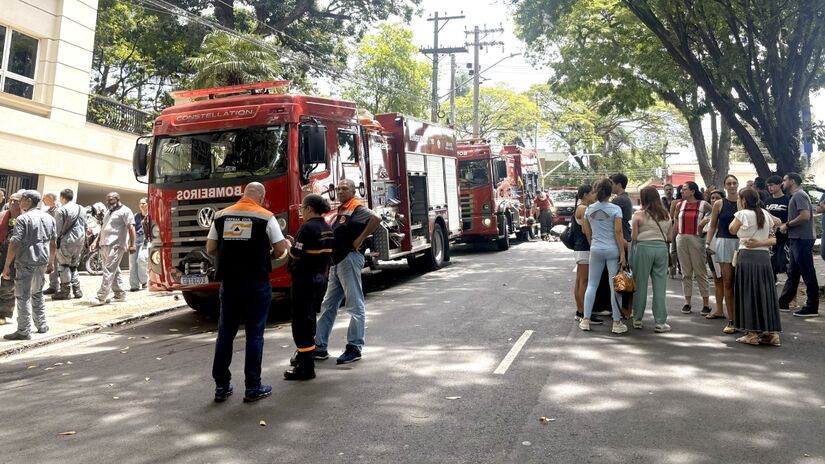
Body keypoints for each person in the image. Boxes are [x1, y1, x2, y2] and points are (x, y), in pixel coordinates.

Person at [206, 182, 291, 402]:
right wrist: (264, 256)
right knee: (255, 334)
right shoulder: (266, 216)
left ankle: (221, 387)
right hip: (257, 283)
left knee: (225, 334)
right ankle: (253, 387)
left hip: (230, 283)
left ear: (243, 194)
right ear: (261, 197)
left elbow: (211, 249)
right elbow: (281, 250)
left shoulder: (221, 216)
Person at [314, 179, 382, 364]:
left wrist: (360, 239)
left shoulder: (356, 207)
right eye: (338, 188)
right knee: (328, 304)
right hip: (337, 261)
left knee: (354, 304)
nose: (341, 191)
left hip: (349, 259)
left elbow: (376, 219)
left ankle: (354, 347)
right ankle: (319, 347)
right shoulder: (342, 208)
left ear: (353, 191)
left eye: (345, 188)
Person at [284, 194, 334, 381]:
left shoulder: (307, 228)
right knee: (310, 319)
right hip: (320, 279)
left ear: (310, 208)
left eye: (302, 208)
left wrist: (289, 244)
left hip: (304, 280)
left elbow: (296, 253)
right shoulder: (327, 228)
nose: (301, 212)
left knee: (300, 323)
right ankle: (305, 357)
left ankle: (306, 366)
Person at [729, 188, 782, 346]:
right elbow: (773, 235)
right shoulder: (765, 214)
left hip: (747, 256)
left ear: (743, 200)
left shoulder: (742, 214)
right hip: (764, 257)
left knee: (748, 292)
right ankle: (771, 333)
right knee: (765, 292)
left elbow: (731, 229)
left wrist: (740, 212)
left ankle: (751, 333)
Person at [2, 190, 56, 340]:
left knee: (23, 295)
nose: (20, 202)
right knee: (37, 293)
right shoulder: (49, 218)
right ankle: (41, 325)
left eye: (22, 199)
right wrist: (51, 262)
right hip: (42, 261)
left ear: (28, 200)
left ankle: (23, 330)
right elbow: (53, 242)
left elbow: (14, 242)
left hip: (26, 260)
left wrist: (7, 265)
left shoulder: (23, 218)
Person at [578, 178, 628, 334]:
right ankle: (616, 322)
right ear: (609, 191)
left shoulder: (588, 209)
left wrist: (593, 243)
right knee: (615, 285)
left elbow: (587, 232)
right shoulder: (615, 209)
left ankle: (585, 320)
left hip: (596, 249)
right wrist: (622, 253)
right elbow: (618, 232)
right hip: (612, 249)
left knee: (592, 284)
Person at [630, 186, 673, 333]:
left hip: (643, 249)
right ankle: (660, 322)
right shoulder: (666, 215)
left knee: (640, 285)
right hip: (661, 249)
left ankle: (637, 319)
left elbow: (634, 237)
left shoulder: (638, 215)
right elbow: (669, 237)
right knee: (660, 287)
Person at [778, 172, 819, 317]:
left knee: (807, 273)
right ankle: (783, 302)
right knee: (793, 273)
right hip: (797, 238)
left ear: (793, 182)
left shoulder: (799, 195)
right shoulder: (796, 196)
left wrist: (787, 225)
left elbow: (805, 216)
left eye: (784, 180)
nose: (782, 183)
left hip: (802, 238)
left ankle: (812, 307)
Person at [704, 175, 739, 333]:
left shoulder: (743, 201)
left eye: (734, 183)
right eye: (729, 183)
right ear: (725, 186)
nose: (732, 186)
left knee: (742, 283)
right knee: (727, 282)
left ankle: (743, 317)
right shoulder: (719, 204)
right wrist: (707, 243)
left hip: (742, 244)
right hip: (724, 243)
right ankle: (731, 320)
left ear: (737, 185)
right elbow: (712, 226)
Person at [90, 192, 136, 306]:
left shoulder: (126, 211)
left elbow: (131, 227)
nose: (108, 202)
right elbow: (103, 228)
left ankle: (101, 296)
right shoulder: (108, 212)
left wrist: (132, 244)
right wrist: (96, 241)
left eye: (110, 199)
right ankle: (120, 294)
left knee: (108, 270)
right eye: (107, 200)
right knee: (114, 270)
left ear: (117, 199)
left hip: (116, 245)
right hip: (105, 244)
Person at [674, 181, 712, 314]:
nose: (681, 191)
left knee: (700, 271)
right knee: (686, 272)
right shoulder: (680, 204)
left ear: (693, 191)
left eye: (684, 189)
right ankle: (687, 302)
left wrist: (705, 226)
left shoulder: (703, 204)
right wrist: (673, 237)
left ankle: (706, 304)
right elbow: (675, 221)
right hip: (681, 237)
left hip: (696, 238)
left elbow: (714, 216)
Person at [572, 185, 603, 325]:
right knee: (584, 280)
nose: (594, 195)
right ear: (585, 195)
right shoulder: (584, 209)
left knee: (580, 280)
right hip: (585, 247)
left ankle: (580, 310)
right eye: (592, 193)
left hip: (580, 248)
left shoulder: (579, 207)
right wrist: (593, 245)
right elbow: (586, 230)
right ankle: (584, 312)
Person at [51, 189, 86, 300]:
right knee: (74, 266)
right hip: (80, 240)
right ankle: (77, 290)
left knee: (64, 265)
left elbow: (57, 229)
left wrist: (54, 243)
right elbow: (85, 226)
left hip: (67, 241)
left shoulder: (61, 210)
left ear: (62, 198)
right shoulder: (82, 209)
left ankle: (65, 291)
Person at [0, 192, 22, 325]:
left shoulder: (25, 218)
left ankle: (3, 313)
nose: (12, 203)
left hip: (15, 254)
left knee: (7, 285)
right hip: (1, 250)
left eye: (16, 201)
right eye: (11, 200)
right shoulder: (2, 215)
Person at [764, 175, 789, 280]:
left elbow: (791, 217)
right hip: (770, 237)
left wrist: (784, 226)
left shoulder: (787, 199)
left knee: (785, 264)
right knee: (771, 264)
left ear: (780, 185)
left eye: (772, 185)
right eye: (768, 186)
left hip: (784, 237)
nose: (770, 188)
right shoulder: (767, 201)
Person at [129, 197, 149, 292]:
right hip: (135, 239)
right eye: (140, 203)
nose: (141, 205)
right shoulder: (136, 216)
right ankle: (134, 285)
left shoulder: (151, 216)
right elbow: (131, 228)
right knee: (133, 263)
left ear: (148, 204)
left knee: (141, 259)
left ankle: (144, 281)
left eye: (143, 203)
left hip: (146, 240)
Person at [42, 192, 59, 295]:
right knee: (50, 263)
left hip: (56, 241)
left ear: (51, 199)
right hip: (47, 241)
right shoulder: (46, 211)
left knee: (54, 263)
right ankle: (53, 285)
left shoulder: (59, 211)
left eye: (45, 198)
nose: (43, 200)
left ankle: (54, 286)